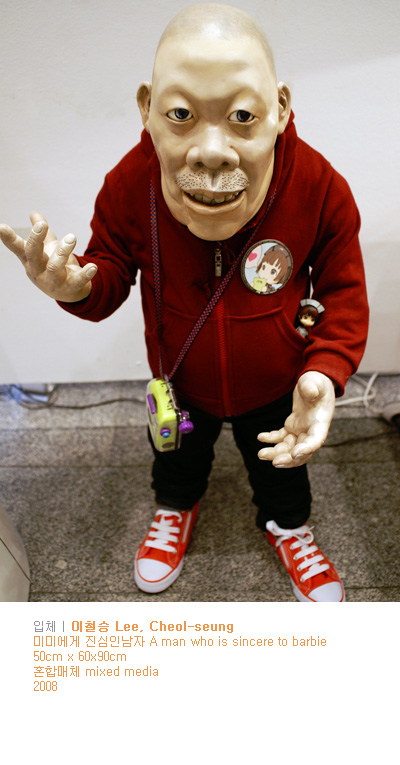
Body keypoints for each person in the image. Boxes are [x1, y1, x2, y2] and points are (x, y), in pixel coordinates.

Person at [0, 4, 369, 602]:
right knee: (175, 463)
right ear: (146, 107)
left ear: (281, 107)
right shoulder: (130, 184)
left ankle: (290, 528)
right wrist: (78, 286)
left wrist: (324, 372)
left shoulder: (319, 187)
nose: (212, 152)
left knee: (282, 468)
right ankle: (175, 510)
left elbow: (342, 290)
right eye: (181, 115)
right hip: (179, 380)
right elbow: (110, 269)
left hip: (277, 381)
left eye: (243, 116)